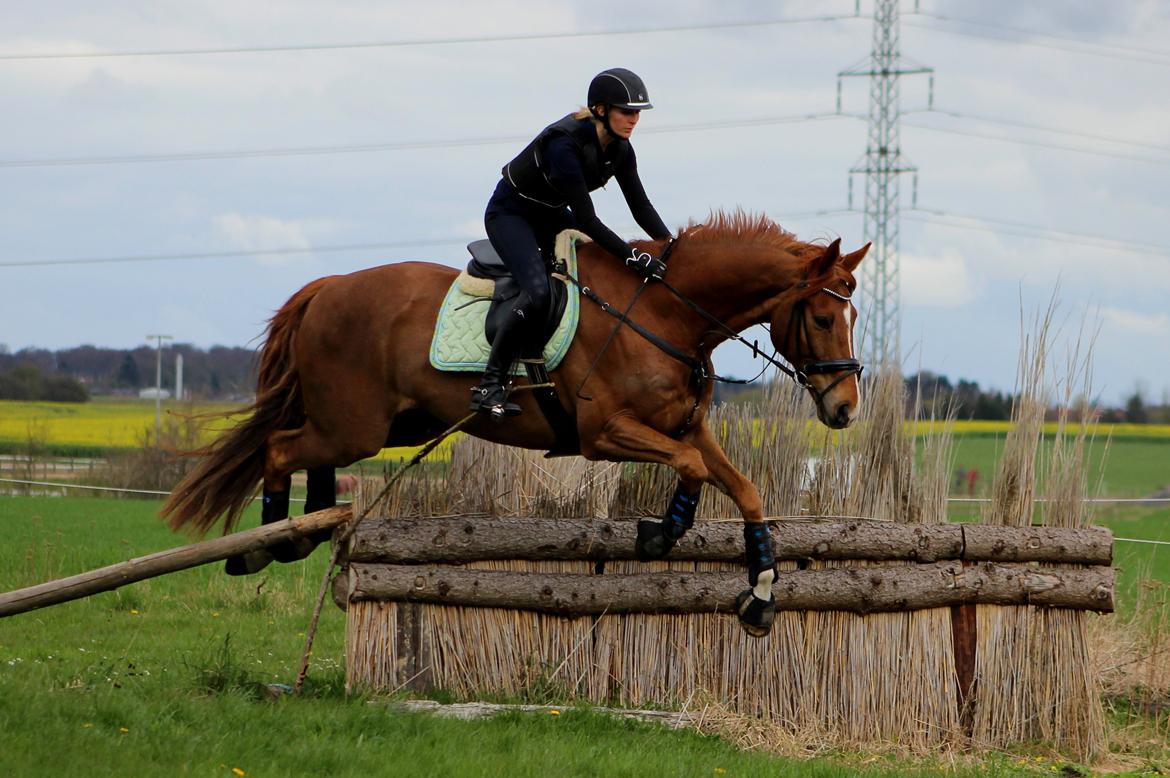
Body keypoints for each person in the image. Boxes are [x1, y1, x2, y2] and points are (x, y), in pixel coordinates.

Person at [470, 67, 674, 419]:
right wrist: (632, 256)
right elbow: (586, 219)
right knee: (538, 292)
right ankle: (490, 384)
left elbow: (641, 206)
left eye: (638, 112)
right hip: (511, 214)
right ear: (600, 110)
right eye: (627, 111)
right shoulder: (564, 145)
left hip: (550, 213)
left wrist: (670, 247)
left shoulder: (621, 150)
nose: (634, 119)